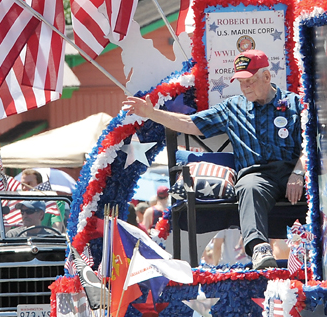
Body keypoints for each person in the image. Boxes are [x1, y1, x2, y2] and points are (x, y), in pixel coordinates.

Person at [122, 49, 305, 270]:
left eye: (250, 80)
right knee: (248, 185)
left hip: (292, 171)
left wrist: (298, 172)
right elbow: (190, 124)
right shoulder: (233, 107)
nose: (244, 86)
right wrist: (151, 113)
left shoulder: (294, 104)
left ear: (267, 77)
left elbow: (314, 143)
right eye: (240, 81)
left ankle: (321, 249)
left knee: (318, 187)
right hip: (257, 174)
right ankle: (259, 248)